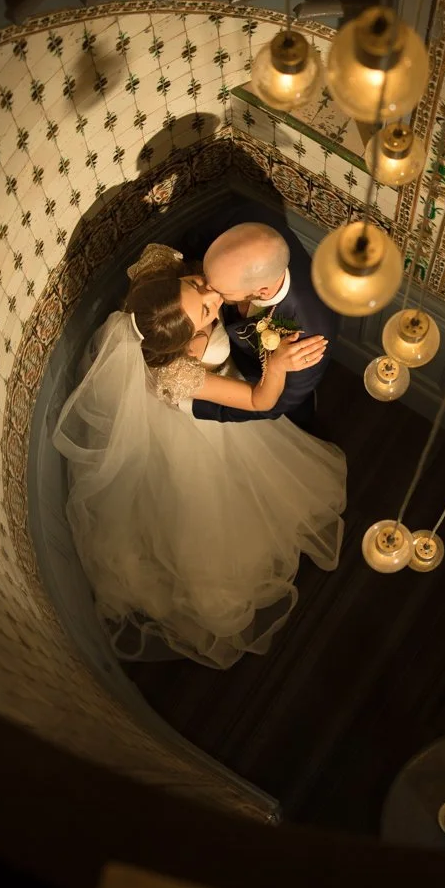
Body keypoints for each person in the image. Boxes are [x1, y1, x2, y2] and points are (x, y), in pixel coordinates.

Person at [51, 242, 346, 669]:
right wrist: (277, 365)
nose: (213, 298)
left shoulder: (156, 282)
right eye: (207, 314)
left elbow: (167, 261)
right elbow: (261, 402)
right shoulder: (181, 370)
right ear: (190, 348)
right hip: (209, 430)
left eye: (196, 287)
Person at [182, 203, 337, 432]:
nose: (210, 295)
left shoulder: (309, 333)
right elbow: (195, 240)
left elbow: (274, 406)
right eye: (204, 279)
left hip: (257, 382)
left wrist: (195, 406)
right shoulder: (247, 220)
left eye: (223, 292)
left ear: (261, 292)